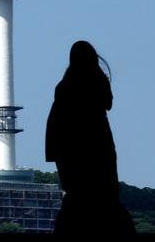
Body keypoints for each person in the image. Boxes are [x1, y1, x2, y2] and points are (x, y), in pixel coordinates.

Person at [45, 40, 132, 235]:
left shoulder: (63, 86)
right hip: (98, 141)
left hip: (69, 147)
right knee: (105, 188)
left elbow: (56, 125)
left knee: (76, 194)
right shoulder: (98, 80)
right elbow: (108, 103)